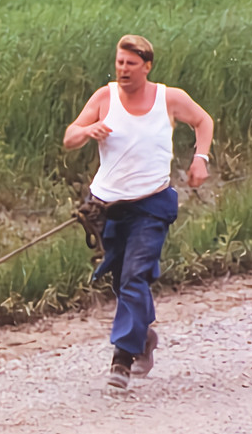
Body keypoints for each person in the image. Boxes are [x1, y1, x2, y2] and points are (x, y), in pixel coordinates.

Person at [63, 34, 214, 389]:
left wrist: (200, 159)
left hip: (151, 205)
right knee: (121, 279)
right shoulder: (104, 97)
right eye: (119, 62)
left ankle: (122, 358)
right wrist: (87, 130)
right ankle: (142, 336)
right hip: (107, 207)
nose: (123, 69)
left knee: (134, 277)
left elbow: (203, 121)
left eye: (131, 64)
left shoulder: (169, 98)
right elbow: (70, 136)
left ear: (147, 66)